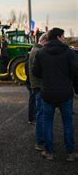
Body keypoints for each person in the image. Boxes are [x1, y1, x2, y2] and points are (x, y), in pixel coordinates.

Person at [32, 28, 77, 162]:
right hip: (65, 93)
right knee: (68, 123)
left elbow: (36, 73)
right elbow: (75, 71)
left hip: (47, 93)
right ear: (58, 37)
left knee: (48, 123)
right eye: (63, 36)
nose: (64, 38)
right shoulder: (69, 52)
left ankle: (49, 151)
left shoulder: (41, 53)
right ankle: (70, 152)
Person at [28, 33, 48, 151]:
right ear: (44, 41)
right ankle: (40, 141)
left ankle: (41, 139)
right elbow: (38, 71)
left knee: (41, 113)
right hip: (39, 86)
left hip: (37, 86)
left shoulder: (35, 50)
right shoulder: (37, 52)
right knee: (41, 114)